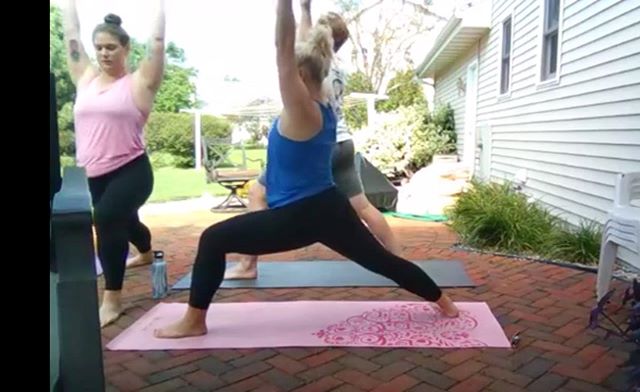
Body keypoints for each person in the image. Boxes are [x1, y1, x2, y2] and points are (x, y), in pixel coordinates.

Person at [154, 0, 458, 339]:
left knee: (212, 240)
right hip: (328, 206)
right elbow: (302, 50)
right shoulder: (323, 99)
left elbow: (284, 47)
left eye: (288, 73)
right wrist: (305, 11)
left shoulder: (301, 109)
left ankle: (194, 321)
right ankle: (445, 302)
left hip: (300, 214)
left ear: (298, 76)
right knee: (381, 261)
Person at [224, 1, 401, 280]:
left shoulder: (315, 66)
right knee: (363, 206)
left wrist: (302, 9)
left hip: (313, 145)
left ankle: (248, 264)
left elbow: (294, 41)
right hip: (342, 143)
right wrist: (305, 10)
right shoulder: (338, 68)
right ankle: (398, 261)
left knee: (258, 193)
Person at [62, 0, 166, 327]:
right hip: (94, 174)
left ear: (126, 48)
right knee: (125, 222)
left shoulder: (139, 82)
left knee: (106, 217)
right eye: (99, 48)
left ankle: (112, 299)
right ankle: (147, 252)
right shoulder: (86, 78)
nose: (104, 53)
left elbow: (158, 44)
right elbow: (70, 34)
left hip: (132, 170)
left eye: (111, 47)